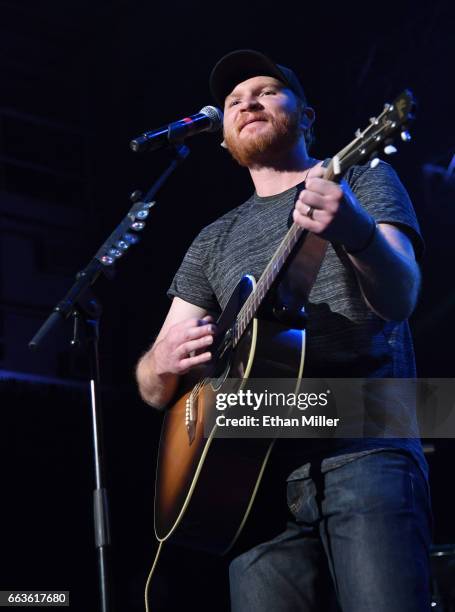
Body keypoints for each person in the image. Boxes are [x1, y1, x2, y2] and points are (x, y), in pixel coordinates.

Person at [136, 50, 432, 611]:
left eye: (267, 91)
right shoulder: (212, 239)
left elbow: (401, 298)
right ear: (222, 138)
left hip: (364, 446)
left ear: (307, 116)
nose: (247, 102)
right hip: (249, 488)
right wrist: (161, 361)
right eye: (232, 102)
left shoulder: (363, 178)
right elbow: (156, 388)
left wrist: (359, 234)